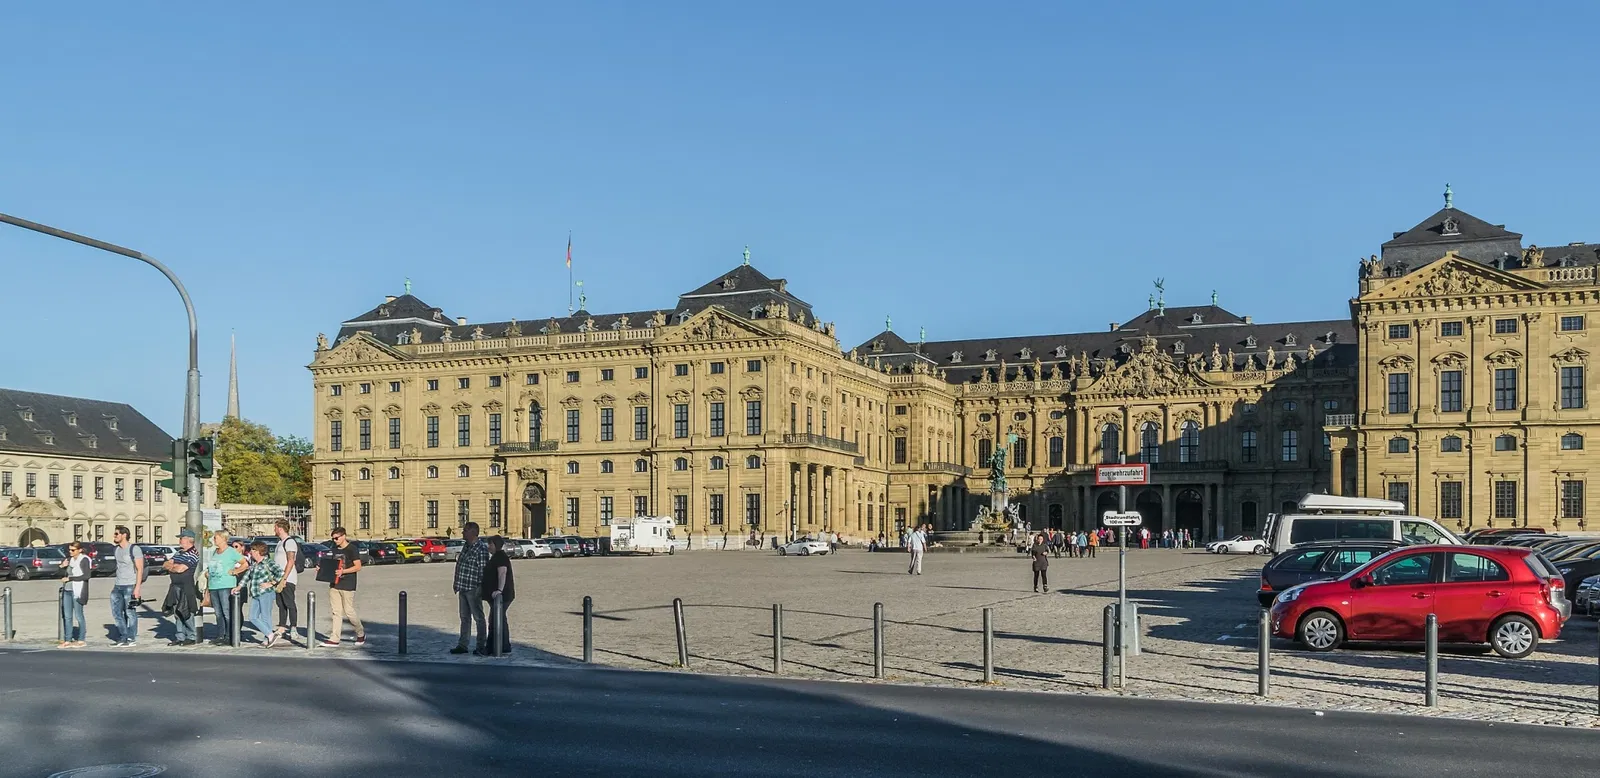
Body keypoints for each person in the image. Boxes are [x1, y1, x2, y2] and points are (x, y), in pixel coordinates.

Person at [320, 527, 366, 647]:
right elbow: (332, 565)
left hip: (348, 583)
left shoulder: (352, 549)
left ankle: (360, 633)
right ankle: (334, 639)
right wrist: (322, 569)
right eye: (333, 538)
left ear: (343, 536)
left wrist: (343, 571)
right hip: (334, 583)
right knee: (336, 612)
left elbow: (358, 567)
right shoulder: (334, 549)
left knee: (349, 611)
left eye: (337, 538)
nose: (335, 540)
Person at [451, 521, 489, 655]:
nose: (463, 532)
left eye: (465, 530)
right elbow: (460, 565)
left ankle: (480, 645)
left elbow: (483, 571)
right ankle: (463, 645)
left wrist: (480, 588)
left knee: (478, 618)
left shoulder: (481, 548)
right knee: (464, 617)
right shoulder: (466, 546)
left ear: (473, 532)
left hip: (473, 588)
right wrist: (456, 583)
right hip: (463, 587)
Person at [205, 530, 247, 645]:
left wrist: (235, 571)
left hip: (226, 585)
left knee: (226, 612)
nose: (214, 540)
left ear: (223, 539)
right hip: (214, 585)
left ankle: (229, 636)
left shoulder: (231, 552)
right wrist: (208, 573)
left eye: (216, 538)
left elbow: (245, 563)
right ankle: (220, 635)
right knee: (218, 613)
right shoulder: (215, 551)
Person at [161, 530, 202, 646]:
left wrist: (172, 567)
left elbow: (181, 569)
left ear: (189, 540)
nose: (179, 540)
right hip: (174, 585)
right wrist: (173, 566)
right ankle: (180, 636)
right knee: (177, 611)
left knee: (186, 610)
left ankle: (191, 636)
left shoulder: (193, 553)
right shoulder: (179, 553)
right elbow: (165, 564)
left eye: (181, 538)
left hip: (186, 586)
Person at [241, 541, 285, 647]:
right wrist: (239, 586)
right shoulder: (254, 564)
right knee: (252, 617)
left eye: (253, 549)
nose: (250, 552)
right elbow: (247, 576)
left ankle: (268, 638)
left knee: (266, 616)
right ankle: (270, 635)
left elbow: (280, 572)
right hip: (255, 593)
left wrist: (271, 583)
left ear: (258, 551)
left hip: (266, 593)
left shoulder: (268, 562)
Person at [109, 525, 145, 646]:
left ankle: (131, 637)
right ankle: (123, 636)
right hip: (118, 585)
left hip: (130, 584)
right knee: (116, 612)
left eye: (116, 534)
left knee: (130, 612)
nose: (114, 536)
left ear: (124, 535)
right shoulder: (116, 549)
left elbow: (140, 569)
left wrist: (137, 588)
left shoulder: (134, 549)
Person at [481, 535, 515, 656]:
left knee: (495, 621)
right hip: (500, 596)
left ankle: (492, 647)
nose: (488, 546)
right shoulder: (497, 557)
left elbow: (502, 573)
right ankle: (504, 646)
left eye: (490, 544)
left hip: (502, 596)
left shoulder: (500, 557)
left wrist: (499, 590)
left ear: (495, 545)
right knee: (500, 620)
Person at [271, 519, 300, 646]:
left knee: (289, 603)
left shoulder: (290, 542)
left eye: (275, 527)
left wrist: (284, 577)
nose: (274, 530)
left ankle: (293, 627)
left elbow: (291, 560)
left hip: (287, 578)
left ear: (280, 528)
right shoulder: (280, 542)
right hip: (278, 578)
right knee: (280, 603)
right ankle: (282, 626)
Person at [58, 541, 92, 648]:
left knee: (78, 615)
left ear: (80, 550)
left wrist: (70, 578)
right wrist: (61, 567)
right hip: (67, 590)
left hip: (78, 590)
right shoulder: (69, 560)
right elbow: (61, 575)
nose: (70, 552)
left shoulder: (84, 560)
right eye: (69, 550)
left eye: (73, 550)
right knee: (67, 616)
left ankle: (81, 639)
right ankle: (67, 639)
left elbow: (86, 576)